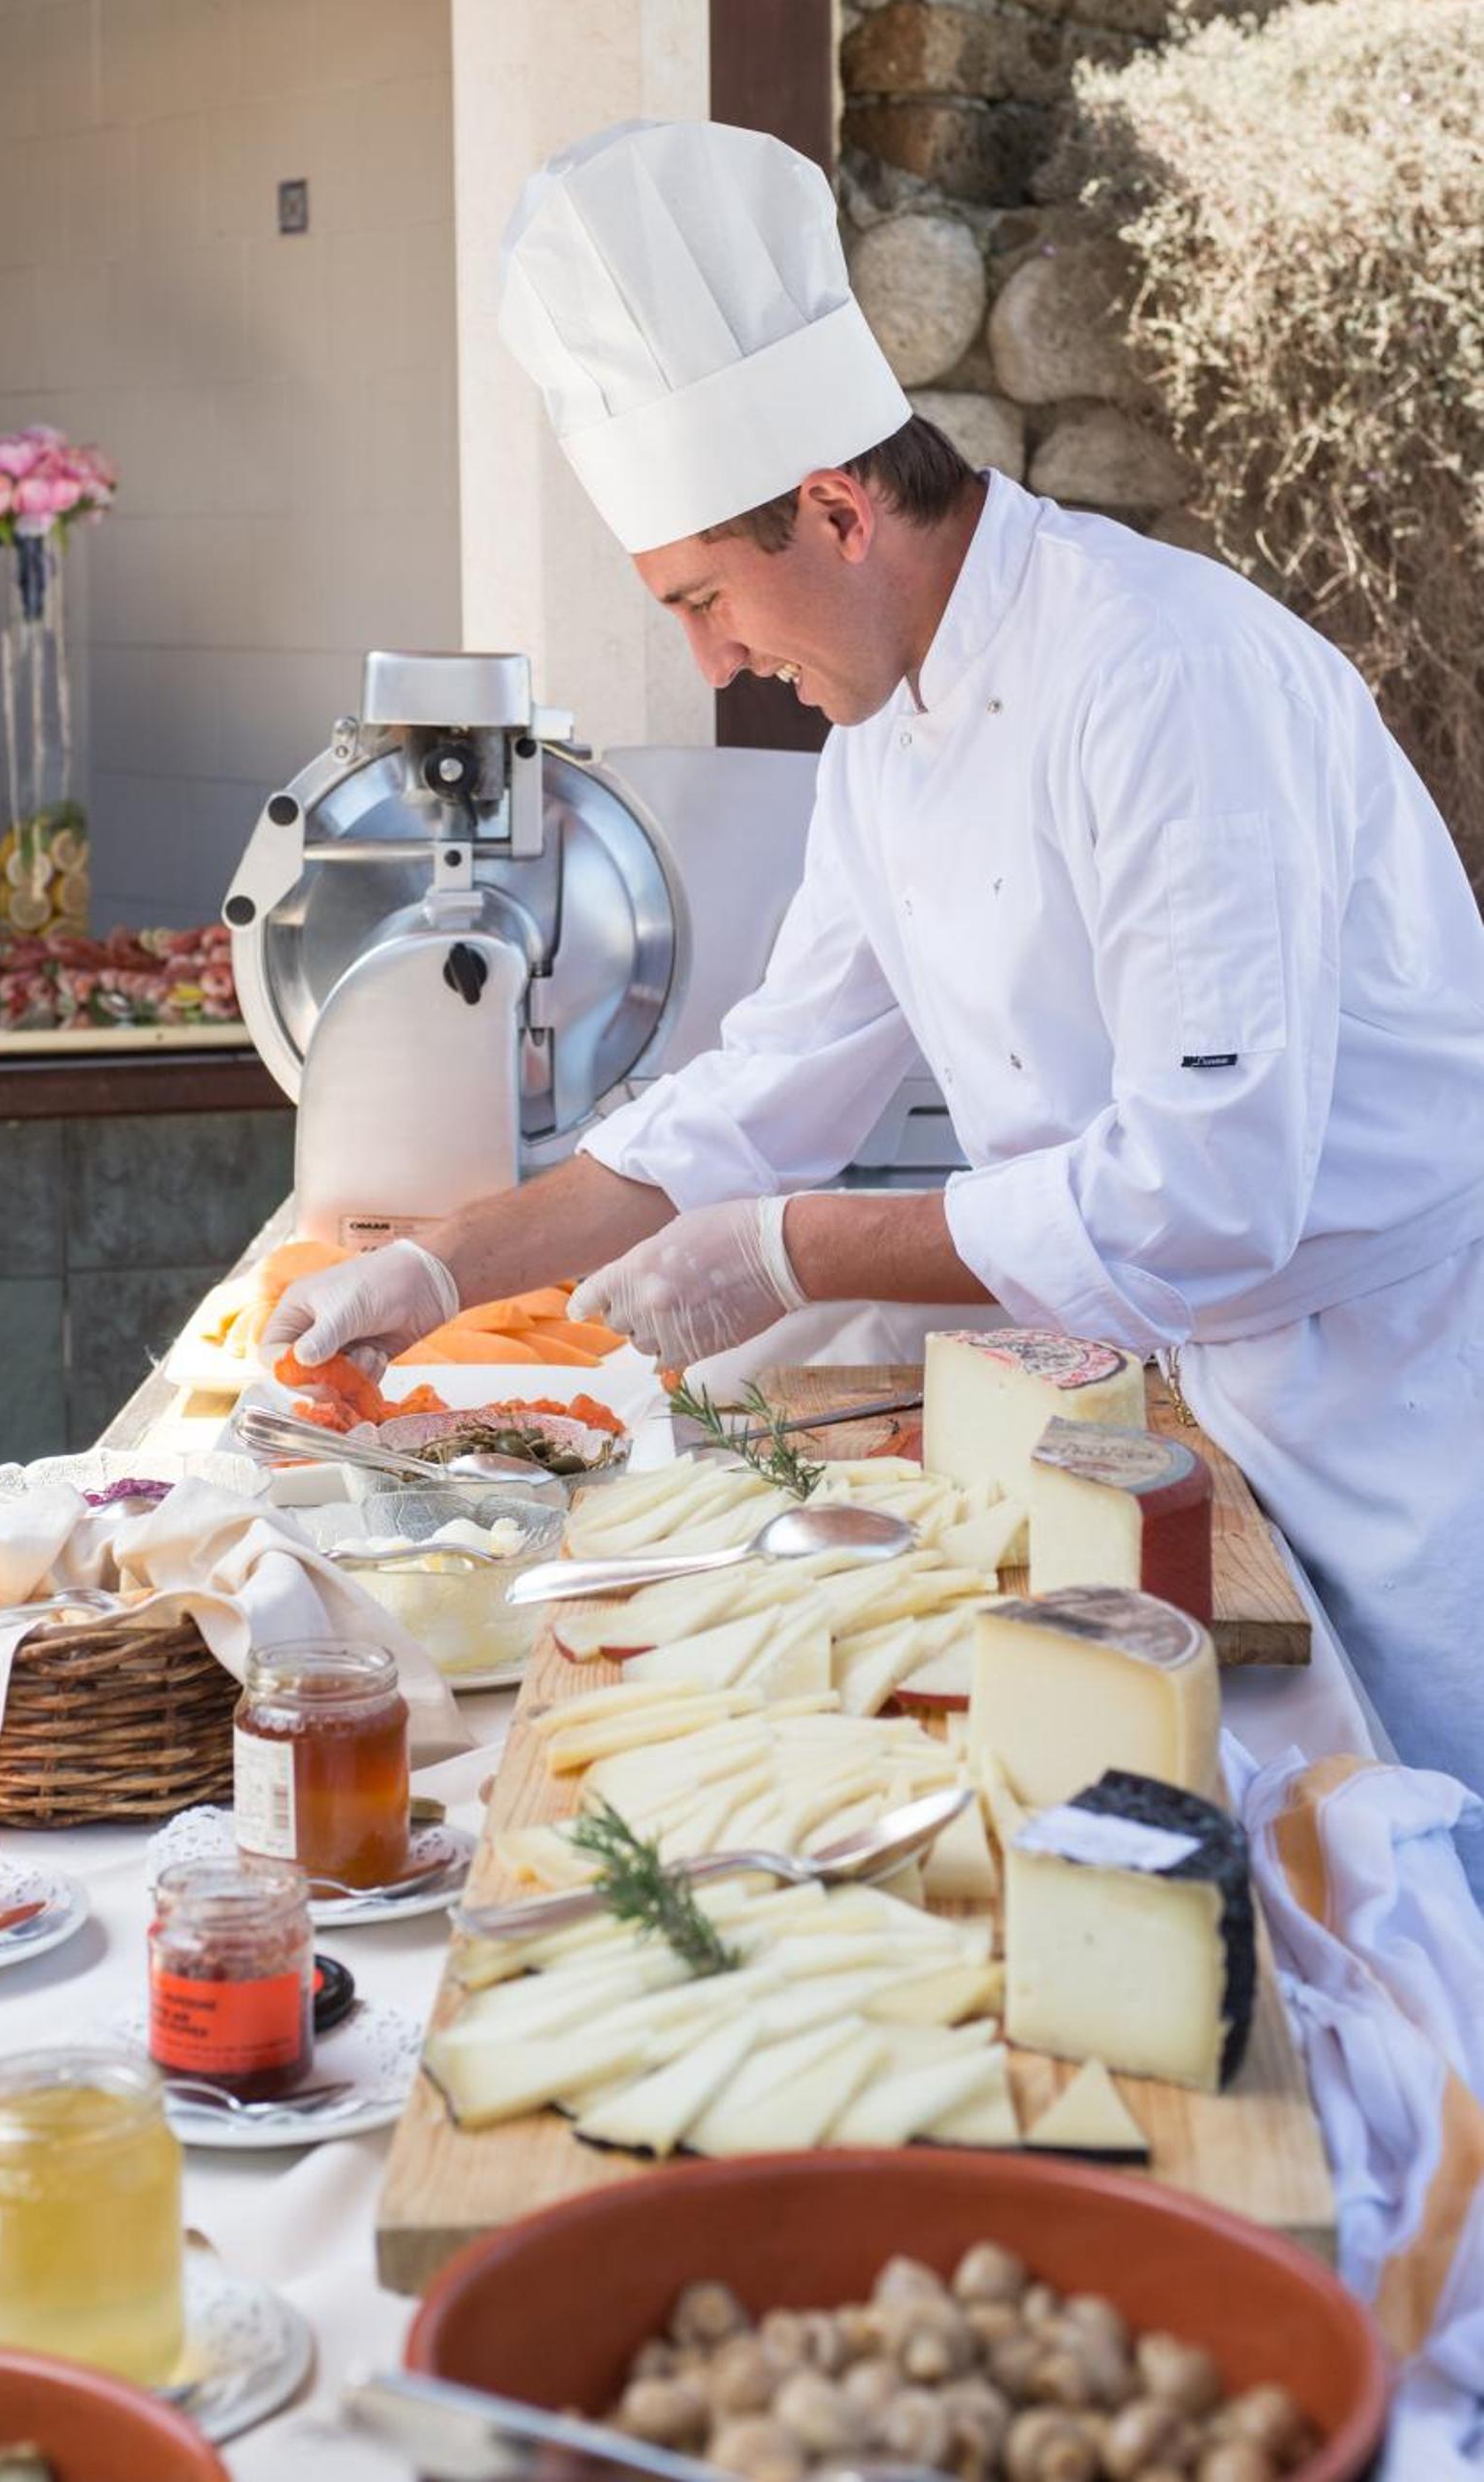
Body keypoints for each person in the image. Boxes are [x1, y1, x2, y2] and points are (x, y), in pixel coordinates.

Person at [265, 117, 1484, 1830]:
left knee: (1407, 1867)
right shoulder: (880, 736)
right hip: (1171, 1407)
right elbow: (771, 1088)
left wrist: (794, 1251)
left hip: (1392, 1414)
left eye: (705, 600)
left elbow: (1214, 1192)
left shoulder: (1161, 677)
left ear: (837, 509)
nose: (713, 663)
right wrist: (438, 1272)